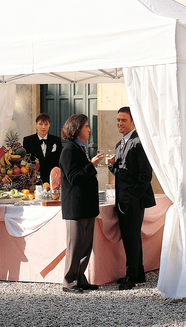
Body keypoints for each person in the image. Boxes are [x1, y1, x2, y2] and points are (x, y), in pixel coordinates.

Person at [107, 106, 156, 290]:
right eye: (118, 120)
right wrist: (112, 166)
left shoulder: (139, 142)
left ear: (133, 122)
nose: (120, 123)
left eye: (124, 120)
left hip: (133, 200)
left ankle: (130, 276)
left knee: (131, 237)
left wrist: (133, 197)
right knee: (131, 236)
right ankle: (138, 272)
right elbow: (122, 172)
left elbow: (146, 175)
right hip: (122, 199)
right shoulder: (120, 144)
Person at [59, 114, 104, 293]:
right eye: (86, 126)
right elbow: (73, 178)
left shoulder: (81, 149)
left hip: (86, 206)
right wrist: (91, 165)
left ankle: (80, 277)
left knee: (86, 246)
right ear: (77, 129)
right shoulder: (69, 150)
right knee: (75, 244)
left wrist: (91, 165)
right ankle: (68, 281)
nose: (89, 129)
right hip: (76, 207)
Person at [23, 113, 62, 184]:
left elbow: (59, 161)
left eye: (46, 124)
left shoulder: (56, 140)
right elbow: (26, 162)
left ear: (49, 125)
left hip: (52, 179)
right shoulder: (28, 141)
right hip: (34, 180)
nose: (43, 127)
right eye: (40, 124)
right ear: (36, 124)